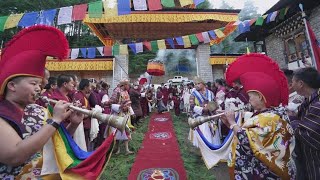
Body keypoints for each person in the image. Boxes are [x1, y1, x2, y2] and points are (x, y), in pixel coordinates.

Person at [0, 26, 83, 178]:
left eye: (40, 84)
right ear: (12, 86)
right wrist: (56, 120)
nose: (39, 89)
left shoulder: (38, 110)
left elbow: (56, 143)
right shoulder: (2, 114)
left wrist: (73, 124)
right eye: (33, 84)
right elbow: (14, 156)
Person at [222, 53, 296, 179]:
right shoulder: (274, 113)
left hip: (265, 172)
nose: (249, 100)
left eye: (251, 97)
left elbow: (247, 140)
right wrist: (228, 123)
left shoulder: (269, 118)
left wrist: (232, 123)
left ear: (261, 97)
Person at [290, 67, 320, 180]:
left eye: (293, 82)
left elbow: (305, 133)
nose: (291, 85)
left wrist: (292, 118)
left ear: (301, 83)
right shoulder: (309, 101)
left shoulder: (317, 105)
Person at [189, 76, 220, 147]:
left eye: (198, 83)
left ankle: (213, 148)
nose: (196, 85)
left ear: (203, 83)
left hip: (210, 116)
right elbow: (192, 106)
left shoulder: (211, 93)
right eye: (195, 84)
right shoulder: (193, 94)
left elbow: (215, 103)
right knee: (204, 133)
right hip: (200, 118)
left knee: (213, 134)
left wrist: (213, 107)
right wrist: (202, 109)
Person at [109, 79, 134, 155]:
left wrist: (129, 109)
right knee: (117, 132)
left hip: (125, 114)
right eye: (127, 84)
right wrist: (120, 107)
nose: (129, 86)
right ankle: (117, 149)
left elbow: (128, 101)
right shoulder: (117, 91)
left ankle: (126, 149)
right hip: (117, 114)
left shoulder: (126, 91)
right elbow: (112, 102)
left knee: (126, 131)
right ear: (124, 84)